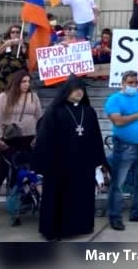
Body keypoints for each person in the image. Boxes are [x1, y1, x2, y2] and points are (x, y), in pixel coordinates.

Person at [32, 75, 106, 241]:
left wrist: (98, 161)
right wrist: (45, 163)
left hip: (83, 164)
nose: (79, 92)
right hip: (59, 164)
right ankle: (54, 230)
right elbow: (45, 139)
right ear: (67, 90)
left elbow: (96, 137)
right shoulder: (54, 111)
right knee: (57, 197)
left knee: (81, 196)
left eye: (82, 89)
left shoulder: (89, 111)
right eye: (76, 88)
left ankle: (80, 226)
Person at [105, 71, 138, 231]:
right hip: (123, 145)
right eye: (130, 82)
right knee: (118, 183)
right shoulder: (114, 99)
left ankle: (137, 211)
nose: (133, 85)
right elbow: (118, 121)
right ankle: (115, 216)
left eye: (136, 82)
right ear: (122, 83)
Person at [0, 70, 43, 195]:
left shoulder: (33, 97)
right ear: (16, 82)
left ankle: (19, 197)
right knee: (2, 170)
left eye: (28, 81)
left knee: (25, 169)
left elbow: (39, 117)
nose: (26, 84)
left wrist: (38, 136)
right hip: (9, 139)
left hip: (29, 139)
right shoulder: (4, 97)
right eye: (23, 81)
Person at [0, 24, 28, 97]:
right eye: (13, 32)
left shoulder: (25, 44)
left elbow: (27, 56)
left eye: (17, 32)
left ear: (20, 34)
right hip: (3, 73)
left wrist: (23, 46)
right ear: (9, 34)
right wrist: (6, 44)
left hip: (18, 71)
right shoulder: (5, 43)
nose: (15, 34)